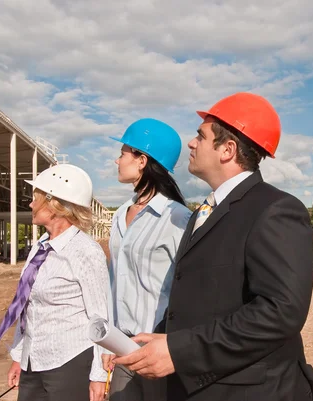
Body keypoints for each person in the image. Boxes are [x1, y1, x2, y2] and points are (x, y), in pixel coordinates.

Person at [113, 93, 313, 401]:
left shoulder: (275, 209)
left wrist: (179, 351)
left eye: (201, 136)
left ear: (227, 150)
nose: (191, 143)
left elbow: (281, 311)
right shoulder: (205, 211)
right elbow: (197, 294)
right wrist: (158, 338)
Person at [0, 164, 109, 401]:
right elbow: (28, 308)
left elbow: (101, 317)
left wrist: (99, 375)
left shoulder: (85, 251)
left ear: (55, 205)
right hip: (34, 361)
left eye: (36, 198)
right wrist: (19, 357)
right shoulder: (40, 247)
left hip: (69, 363)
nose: (31, 204)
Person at [103, 118, 192, 400]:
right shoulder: (119, 215)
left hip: (157, 348)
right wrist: (109, 342)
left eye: (123, 153)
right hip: (122, 345)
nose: (117, 160)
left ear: (142, 160)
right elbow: (114, 280)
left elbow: (188, 287)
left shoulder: (177, 218)